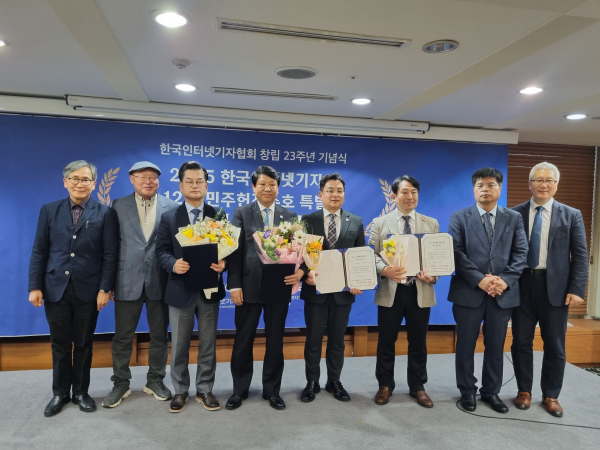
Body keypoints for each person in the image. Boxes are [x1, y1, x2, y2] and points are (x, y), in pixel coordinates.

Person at [28, 160, 119, 416]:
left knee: (83, 343)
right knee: (59, 343)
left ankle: (80, 392)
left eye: (85, 179)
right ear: (65, 181)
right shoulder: (49, 210)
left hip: (89, 289)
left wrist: (105, 289)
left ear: (94, 183)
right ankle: (59, 393)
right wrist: (35, 286)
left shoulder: (105, 213)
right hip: (55, 287)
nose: (80, 183)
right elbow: (39, 250)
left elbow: (110, 254)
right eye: (75, 178)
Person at [511, 162, 588, 417]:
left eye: (549, 180)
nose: (544, 185)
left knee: (555, 345)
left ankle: (551, 395)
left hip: (556, 288)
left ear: (556, 185)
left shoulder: (571, 215)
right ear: (529, 183)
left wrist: (577, 289)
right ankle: (524, 391)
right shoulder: (514, 214)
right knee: (521, 342)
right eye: (539, 180)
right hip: (522, 285)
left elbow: (580, 255)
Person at [448, 167, 527, 413]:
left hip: (502, 293)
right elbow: (456, 253)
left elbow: (521, 253)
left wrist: (504, 281)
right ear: (474, 189)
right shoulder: (459, 217)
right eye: (480, 185)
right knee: (465, 345)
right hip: (468, 291)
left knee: (496, 345)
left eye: (491, 184)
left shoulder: (514, 218)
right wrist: (480, 280)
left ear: (499, 188)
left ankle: (491, 392)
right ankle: (467, 390)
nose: (485, 189)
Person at [226, 165, 303, 411]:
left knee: (275, 341)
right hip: (248, 286)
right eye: (262, 184)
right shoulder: (241, 213)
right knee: (243, 340)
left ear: (278, 188)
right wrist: (234, 285)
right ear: (253, 187)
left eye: (272, 184)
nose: (267, 188)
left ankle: (272, 391)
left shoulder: (289, 215)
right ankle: (239, 390)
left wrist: (299, 272)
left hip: (278, 286)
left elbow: (298, 250)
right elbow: (234, 252)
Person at [102, 161, 178, 408]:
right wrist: (108, 282)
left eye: (153, 177)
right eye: (143, 176)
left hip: (160, 280)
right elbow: (111, 246)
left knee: (160, 335)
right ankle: (120, 383)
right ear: (132, 179)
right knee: (123, 336)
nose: (148, 181)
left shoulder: (171, 206)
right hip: (126, 279)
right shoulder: (118, 205)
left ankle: (155, 380)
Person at [155, 161, 226, 413]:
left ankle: (205, 389)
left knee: (208, 344)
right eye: (189, 181)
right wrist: (174, 264)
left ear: (206, 185)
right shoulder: (169, 217)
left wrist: (224, 263)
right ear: (180, 186)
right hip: (180, 289)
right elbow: (161, 251)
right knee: (179, 345)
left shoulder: (218, 215)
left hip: (209, 289)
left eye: (199, 181)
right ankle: (180, 390)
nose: (195, 186)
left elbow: (228, 248)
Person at [369, 175, 438, 407]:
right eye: (405, 192)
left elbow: (436, 257)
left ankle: (418, 386)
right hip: (391, 290)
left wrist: (433, 276)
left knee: (418, 341)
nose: (410, 197)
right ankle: (385, 385)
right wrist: (385, 270)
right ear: (393, 196)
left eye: (414, 192)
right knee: (386, 341)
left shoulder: (431, 223)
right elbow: (372, 255)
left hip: (420, 289)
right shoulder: (380, 223)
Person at [299, 173, 365, 403]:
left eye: (339, 191)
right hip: (315, 291)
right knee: (313, 340)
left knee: (337, 341)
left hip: (342, 294)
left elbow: (361, 256)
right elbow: (299, 256)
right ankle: (312, 382)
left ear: (344, 195)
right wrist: (306, 274)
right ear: (320, 194)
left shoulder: (355, 221)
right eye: (330, 190)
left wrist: (359, 280)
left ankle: (334, 381)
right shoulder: (307, 220)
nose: (335, 194)